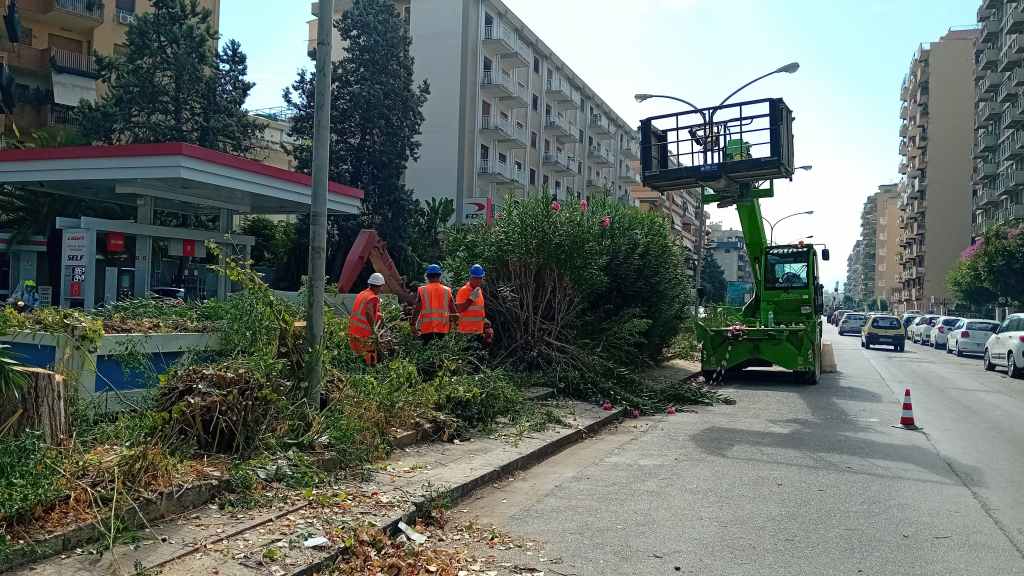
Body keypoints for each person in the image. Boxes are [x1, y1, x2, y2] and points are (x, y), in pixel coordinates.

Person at [348, 273, 386, 365]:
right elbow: (368, 312)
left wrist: (379, 316)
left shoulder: (363, 294)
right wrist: (374, 330)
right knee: (369, 357)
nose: (381, 289)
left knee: (357, 356)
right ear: (378, 286)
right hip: (364, 334)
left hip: (353, 331)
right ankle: (370, 373)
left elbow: (364, 311)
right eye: (381, 287)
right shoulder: (373, 297)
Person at [413, 264, 456, 342]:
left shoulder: (422, 290)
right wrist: (455, 325)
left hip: (426, 329)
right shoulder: (447, 290)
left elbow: (417, 309)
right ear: (439, 276)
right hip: (443, 329)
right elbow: (454, 311)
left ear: (428, 277)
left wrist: (412, 324)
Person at [455, 264, 490, 341]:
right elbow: (459, 309)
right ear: (471, 277)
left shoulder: (478, 290)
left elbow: (479, 311)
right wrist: (470, 300)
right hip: (466, 333)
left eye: (480, 278)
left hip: (478, 332)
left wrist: (486, 325)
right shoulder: (463, 290)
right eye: (476, 278)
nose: (478, 280)